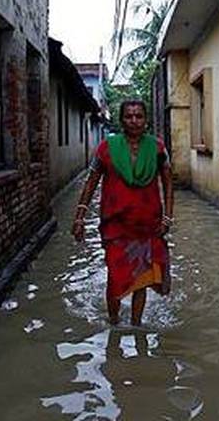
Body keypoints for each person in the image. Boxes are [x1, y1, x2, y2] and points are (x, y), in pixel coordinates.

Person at [71, 100, 174, 326]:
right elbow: (91, 182)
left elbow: (168, 182)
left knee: (142, 278)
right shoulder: (107, 148)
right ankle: (114, 322)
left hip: (147, 226)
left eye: (139, 116)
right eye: (129, 116)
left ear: (146, 120)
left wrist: (168, 216)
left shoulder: (157, 148)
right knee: (115, 277)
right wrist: (80, 216)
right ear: (122, 120)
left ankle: (137, 325)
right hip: (115, 226)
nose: (134, 121)